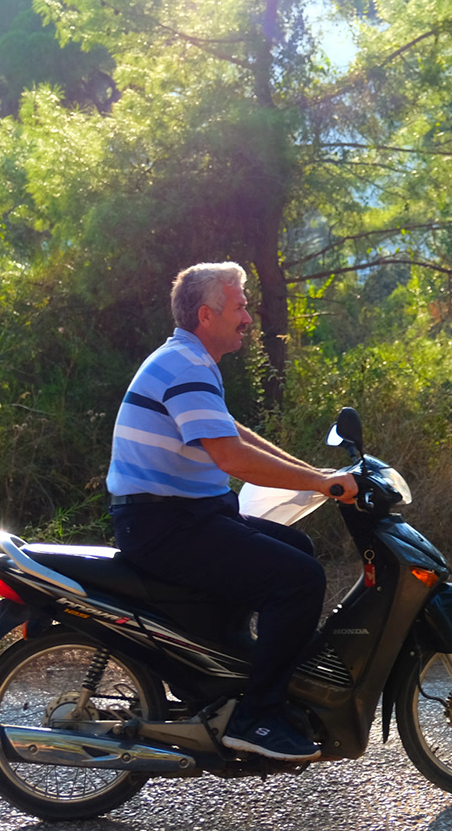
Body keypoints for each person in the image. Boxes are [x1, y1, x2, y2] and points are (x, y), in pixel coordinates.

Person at [105, 261, 357, 762]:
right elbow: (232, 458)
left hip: (185, 516)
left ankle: (234, 675)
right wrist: (318, 483)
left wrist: (317, 474)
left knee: (297, 547)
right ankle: (256, 716)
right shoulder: (187, 366)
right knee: (299, 579)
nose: (247, 318)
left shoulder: (190, 361)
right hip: (166, 524)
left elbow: (233, 433)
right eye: (240, 307)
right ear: (206, 314)